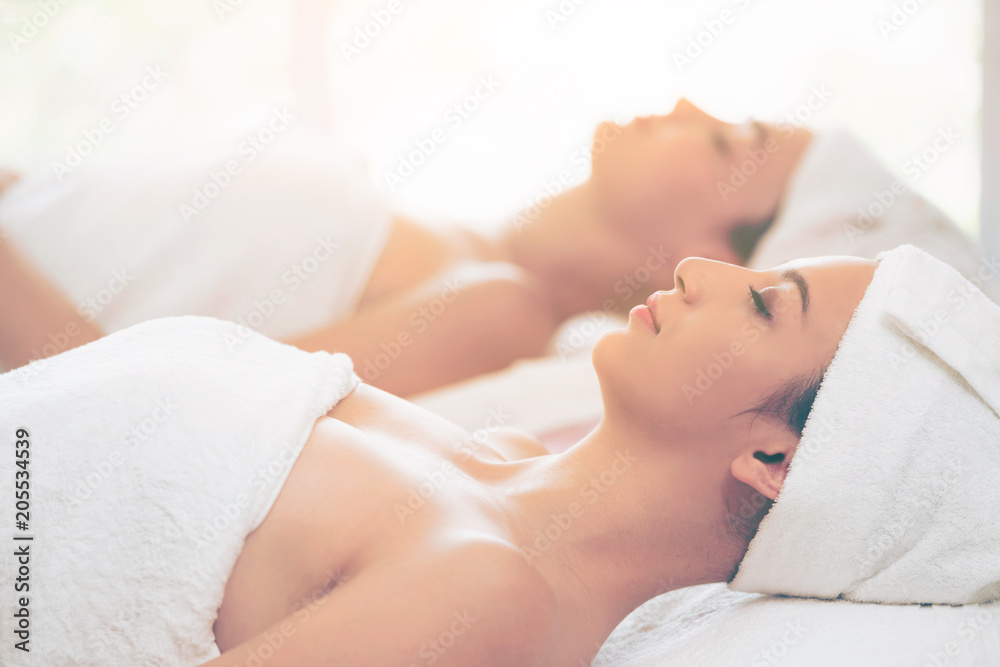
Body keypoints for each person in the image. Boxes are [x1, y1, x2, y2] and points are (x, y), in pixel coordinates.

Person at [0, 248, 874, 665]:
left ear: (775, 459)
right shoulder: (497, 455)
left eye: (765, 305)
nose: (698, 269)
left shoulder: (495, 598)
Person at [0, 100, 815, 395]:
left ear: (711, 249)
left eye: (723, 141)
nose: (683, 102)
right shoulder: (407, 211)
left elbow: (121, 398)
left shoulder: (501, 308)